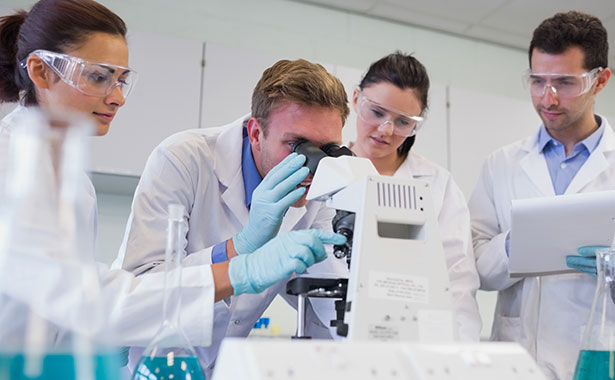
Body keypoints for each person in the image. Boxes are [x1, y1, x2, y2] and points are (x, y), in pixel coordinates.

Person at [0, 0, 343, 348]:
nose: (117, 97)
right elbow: (83, 301)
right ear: (41, 72)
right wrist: (240, 268)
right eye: (99, 77)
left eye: (121, 80)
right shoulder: (9, 165)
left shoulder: (74, 182)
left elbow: (71, 306)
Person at [112, 58, 350, 376]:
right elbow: (141, 290)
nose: (312, 165)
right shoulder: (183, 159)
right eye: (297, 145)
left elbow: (330, 305)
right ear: (255, 133)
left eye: (328, 149)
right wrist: (241, 247)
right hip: (143, 368)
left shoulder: (316, 193)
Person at [469, 10, 612, 380]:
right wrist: (517, 245)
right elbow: (476, 267)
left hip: (598, 357)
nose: (547, 98)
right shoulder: (500, 165)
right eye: (537, 81)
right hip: (518, 358)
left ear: (600, 81)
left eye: (565, 82)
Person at [348, 52, 482, 341]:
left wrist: (457, 358)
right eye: (377, 112)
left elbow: (457, 282)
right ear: (356, 99)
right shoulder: (326, 173)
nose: (386, 130)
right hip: (329, 343)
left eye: (403, 122)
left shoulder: (437, 185)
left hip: (415, 343)